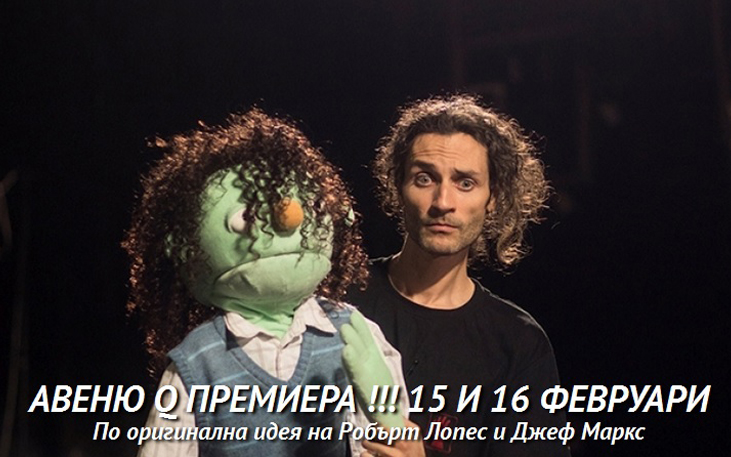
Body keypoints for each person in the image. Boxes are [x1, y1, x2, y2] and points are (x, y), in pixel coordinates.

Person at [123, 109, 407, 457]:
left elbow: (390, 444)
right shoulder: (197, 363)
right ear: (186, 246)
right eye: (247, 216)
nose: (289, 219)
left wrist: (387, 417)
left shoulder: (353, 332)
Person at [347, 95, 570, 457]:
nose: (442, 202)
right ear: (398, 186)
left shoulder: (516, 343)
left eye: (465, 183)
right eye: (424, 178)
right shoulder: (337, 296)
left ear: (492, 197)